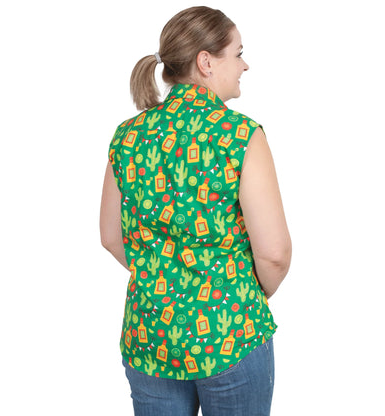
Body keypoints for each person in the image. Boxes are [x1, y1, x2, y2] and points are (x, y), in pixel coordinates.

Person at [100, 6, 291, 416]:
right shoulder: (240, 135)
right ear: (206, 62)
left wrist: (162, 278)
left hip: (150, 335)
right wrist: (243, 294)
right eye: (238, 53)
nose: (244, 65)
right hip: (231, 333)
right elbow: (274, 253)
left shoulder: (128, 135)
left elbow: (111, 237)